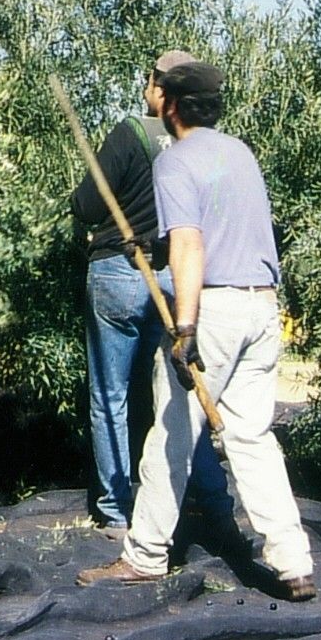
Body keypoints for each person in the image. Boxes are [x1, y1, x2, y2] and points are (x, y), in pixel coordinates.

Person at [78, 60, 317, 600]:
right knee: (252, 437)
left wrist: (185, 327)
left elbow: (190, 244)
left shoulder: (176, 160)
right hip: (262, 308)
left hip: (212, 311)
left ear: (171, 103)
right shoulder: (240, 153)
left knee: (171, 435)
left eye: (155, 88)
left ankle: (144, 556)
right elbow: (226, 230)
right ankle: (294, 561)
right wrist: (156, 248)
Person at [71, 50, 234, 533]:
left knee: (111, 397)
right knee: (182, 390)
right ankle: (213, 502)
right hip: (175, 280)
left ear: (159, 88)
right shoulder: (204, 145)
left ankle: (117, 512)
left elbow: (87, 207)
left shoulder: (131, 133)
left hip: (120, 274)